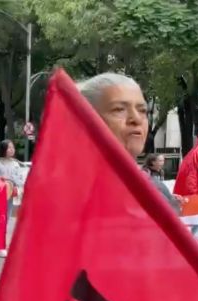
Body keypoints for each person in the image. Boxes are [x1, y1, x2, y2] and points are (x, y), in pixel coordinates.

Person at [78, 73, 184, 214]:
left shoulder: (156, 190)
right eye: (119, 109)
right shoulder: (64, 194)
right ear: (84, 120)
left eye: (142, 110)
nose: (136, 119)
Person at [0, 140, 25, 258]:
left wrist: (16, 186)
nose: (12, 150)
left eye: (13, 148)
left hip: (10, 195)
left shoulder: (16, 164)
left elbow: (20, 179)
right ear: (3, 149)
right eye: (9, 148)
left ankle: (1, 246)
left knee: (6, 219)